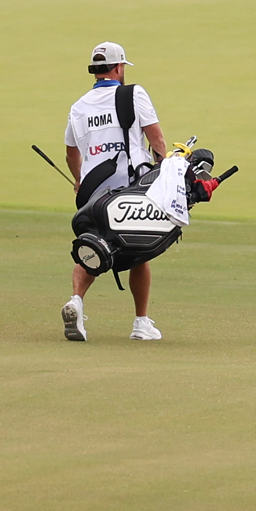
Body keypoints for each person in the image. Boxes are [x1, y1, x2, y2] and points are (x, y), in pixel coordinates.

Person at [60, 39, 176, 344]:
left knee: (94, 249)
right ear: (119, 67)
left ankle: (76, 301)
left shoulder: (78, 106)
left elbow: (72, 154)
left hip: (94, 195)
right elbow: (158, 139)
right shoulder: (133, 93)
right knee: (140, 252)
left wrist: (78, 180)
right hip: (130, 190)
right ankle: (140, 322)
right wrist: (164, 174)